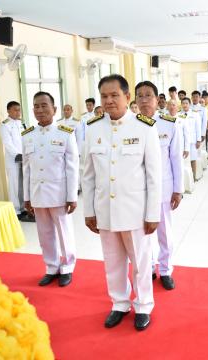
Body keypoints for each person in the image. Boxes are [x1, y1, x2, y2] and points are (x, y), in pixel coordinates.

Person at [82, 74, 161, 331]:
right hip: (105, 209)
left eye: (115, 95)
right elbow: (88, 174)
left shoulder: (144, 127)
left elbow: (153, 175)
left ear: (127, 97)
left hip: (135, 211)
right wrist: (89, 211)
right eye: (104, 96)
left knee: (140, 261)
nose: (109, 100)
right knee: (112, 261)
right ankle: (119, 303)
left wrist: (152, 213)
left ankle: (143, 305)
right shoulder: (93, 128)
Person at [22, 91, 79, 287]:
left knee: (64, 232)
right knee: (44, 233)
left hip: (59, 193)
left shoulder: (64, 133)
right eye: (36, 106)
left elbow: (72, 167)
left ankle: (68, 266)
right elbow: (26, 168)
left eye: (44, 105)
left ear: (54, 109)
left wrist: (72, 196)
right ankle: (51, 267)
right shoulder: (28, 135)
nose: (40, 110)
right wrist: (26, 196)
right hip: (38, 193)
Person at [135, 81, 184, 290]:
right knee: (141, 234)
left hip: (163, 189)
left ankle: (165, 269)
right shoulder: (130, 125)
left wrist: (178, 189)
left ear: (157, 100)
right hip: (137, 191)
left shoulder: (169, 124)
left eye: (149, 95)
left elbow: (176, 159)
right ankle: (149, 267)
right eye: (140, 96)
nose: (144, 100)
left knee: (165, 233)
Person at [0, 101, 32, 221]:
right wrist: (18, 155)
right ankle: (16, 211)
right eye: (15, 110)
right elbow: (7, 143)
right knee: (14, 184)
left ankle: (24, 208)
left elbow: (28, 138)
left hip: (25, 157)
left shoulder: (22, 123)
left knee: (24, 184)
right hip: (14, 159)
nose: (18, 112)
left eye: (19, 110)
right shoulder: (4, 125)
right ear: (8, 111)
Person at [179, 97, 201, 181]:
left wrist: (198, 140)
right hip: (182, 141)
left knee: (193, 159)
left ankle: (194, 177)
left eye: (186, 103)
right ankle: (184, 179)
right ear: (181, 105)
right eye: (183, 103)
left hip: (192, 141)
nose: (185, 105)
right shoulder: (178, 115)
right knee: (182, 160)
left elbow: (198, 128)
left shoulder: (195, 114)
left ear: (189, 104)